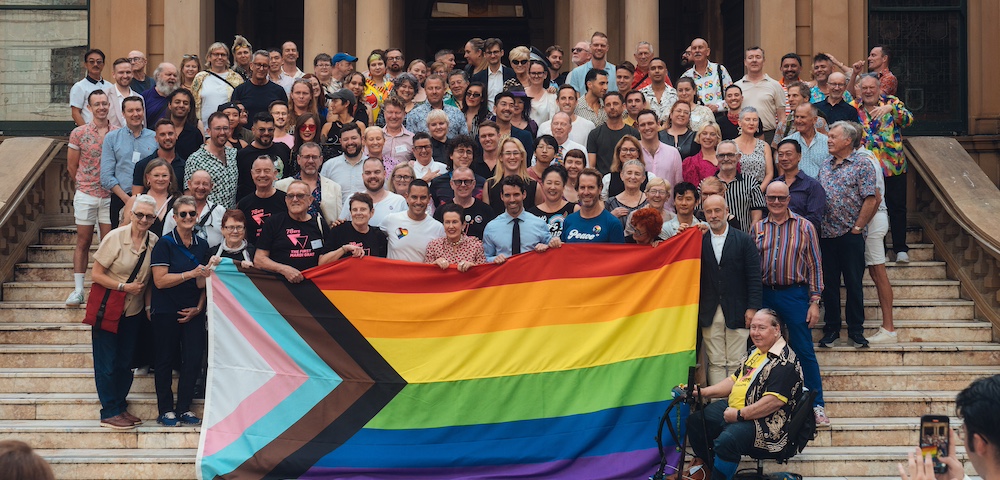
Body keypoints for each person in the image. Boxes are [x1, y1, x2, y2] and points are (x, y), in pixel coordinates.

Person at [685, 309, 805, 480]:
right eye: (753, 327)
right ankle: (711, 470)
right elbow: (733, 381)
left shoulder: (785, 362)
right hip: (739, 408)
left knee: (728, 440)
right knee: (697, 422)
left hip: (767, 423)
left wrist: (739, 415)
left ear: (776, 329)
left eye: (761, 328)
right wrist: (702, 392)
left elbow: (772, 403)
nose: (755, 333)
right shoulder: (755, 352)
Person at [753, 181, 828, 425]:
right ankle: (760, 403)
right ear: (766, 199)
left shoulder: (805, 227)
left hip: (795, 294)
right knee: (762, 349)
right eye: (772, 198)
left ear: (789, 200)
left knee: (804, 350)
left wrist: (814, 301)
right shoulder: (758, 228)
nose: (776, 202)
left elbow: (815, 265)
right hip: (765, 293)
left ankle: (816, 405)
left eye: (781, 198)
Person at [89, 194, 158, 429]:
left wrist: (148, 306)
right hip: (108, 308)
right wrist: (123, 286)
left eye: (149, 216)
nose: (144, 219)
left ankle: (119, 406)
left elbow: (149, 279)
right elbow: (96, 275)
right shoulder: (115, 238)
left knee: (126, 362)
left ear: (154, 218)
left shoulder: (154, 241)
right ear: (131, 214)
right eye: (140, 214)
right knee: (106, 362)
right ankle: (109, 410)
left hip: (133, 311)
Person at [149, 195, 212, 427]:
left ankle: (184, 408)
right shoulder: (165, 243)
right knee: (165, 360)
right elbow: (160, 281)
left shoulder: (202, 244)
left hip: (192, 311)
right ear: (174, 217)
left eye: (192, 214)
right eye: (183, 214)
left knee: (193, 359)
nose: (188, 217)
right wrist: (190, 274)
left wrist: (199, 306)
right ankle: (165, 410)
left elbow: (202, 282)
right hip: (166, 310)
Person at [817, 122, 879, 349]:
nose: (829, 140)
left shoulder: (863, 164)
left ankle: (856, 330)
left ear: (847, 140)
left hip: (851, 235)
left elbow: (870, 198)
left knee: (854, 284)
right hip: (827, 235)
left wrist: (858, 228)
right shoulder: (825, 165)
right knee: (829, 285)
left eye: (833, 136)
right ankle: (831, 329)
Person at [699, 193, 762, 384]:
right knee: (716, 361)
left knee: (737, 361)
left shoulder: (743, 240)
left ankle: (735, 405)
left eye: (718, 210)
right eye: (709, 211)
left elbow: (754, 276)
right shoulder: (698, 241)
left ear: (727, 212)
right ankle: (717, 407)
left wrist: (752, 308)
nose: (713, 215)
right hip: (709, 310)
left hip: (738, 308)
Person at [853, 73, 914, 263]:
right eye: (865, 88)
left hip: (892, 165)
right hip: (867, 169)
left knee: (897, 207)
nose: (868, 91)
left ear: (879, 88)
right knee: (872, 208)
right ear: (860, 90)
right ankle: (881, 250)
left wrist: (891, 109)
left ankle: (900, 248)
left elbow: (909, 120)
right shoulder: (854, 107)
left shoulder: (892, 102)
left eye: (872, 87)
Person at [66, 90, 115, 305]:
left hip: (110, 196)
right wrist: (83, 185)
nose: (102, 107)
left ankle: (105, 287)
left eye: (105, 103)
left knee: (108, 243)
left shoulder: (117, 132)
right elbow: (71, 166)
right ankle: (78, 289)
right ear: (89, 107)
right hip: (86, 193)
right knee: (83, 241)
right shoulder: (79, 132)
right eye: (97, 104)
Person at [255, 181, 337, 282]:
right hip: (281, 288)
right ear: (285, 200)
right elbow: (259, 260)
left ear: (310, 200)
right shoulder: (273, 222)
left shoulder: (320, 224)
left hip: (314, 287)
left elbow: (329, 258)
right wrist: (283, 269)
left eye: (300, 195)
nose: (294, 199)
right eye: (290, 196)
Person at [101, 96, 157, 228]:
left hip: (149, 198)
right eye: (130, 111)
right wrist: (129, 200)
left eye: (138, 110)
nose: (135, 114)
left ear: (143, 112)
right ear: (123, 113)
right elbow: (106, 176)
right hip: (121, 198)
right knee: (119, 241)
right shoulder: (112, 138)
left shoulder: (154, 138)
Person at [482, 175, 557, 263]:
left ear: (524, 194)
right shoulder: (491, 227)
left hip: (532, 275)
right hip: (504, 275)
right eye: (507, 195)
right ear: (501, 196)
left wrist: (548, 246)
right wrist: (494, 259)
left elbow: (552, 251)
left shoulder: (539, 224)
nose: (512, 200)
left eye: (516, 194)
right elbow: (485, 258)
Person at [278, 142, 343, 225]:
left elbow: (338, 220)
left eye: (314, 157)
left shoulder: (334, 187)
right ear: (298, 159)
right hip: (291, 235)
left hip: (324, 235)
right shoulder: (281, 186)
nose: (311, 161)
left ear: (321, 160)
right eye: (306, 157)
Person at [381, 179, 445, 262]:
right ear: (407, 197)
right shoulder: (391, 220)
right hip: (393, 274)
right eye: (414, 197)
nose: (418, 202)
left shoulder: (438, 228)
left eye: (423, 197)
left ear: (429, 199)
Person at [184, 112, 239, 208]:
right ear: (208, 131)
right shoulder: (195, 159)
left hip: (230, 218)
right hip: (207, 219)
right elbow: (188, 195)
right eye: (217, 128)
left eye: (225, 128)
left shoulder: (233, 154)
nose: (222, 132)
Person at [774, 139, 826, 233]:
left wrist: (789, 228)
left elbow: (814, 218)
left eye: (788, 154)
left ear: (799, 156)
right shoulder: (774, 185)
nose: (784, 158)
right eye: (781, 155)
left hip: (802, 236)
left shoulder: (812, 185)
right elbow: (766, 213)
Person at [734, 47, 786, 143]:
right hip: (743, 134)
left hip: (769, 135)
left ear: (764, 61)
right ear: (745, 62)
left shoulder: (775, 85)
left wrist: (779, 140)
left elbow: (782, 117)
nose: (754, 60)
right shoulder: (737, 86)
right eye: (750, 57)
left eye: (758, 57)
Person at [337, 158, 407, 228]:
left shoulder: (398, 201)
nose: (372, 176)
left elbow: (406, 231)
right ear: (363, 176)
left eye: (377, 172)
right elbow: (343, 228)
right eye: (368, 173)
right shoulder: (352, 199)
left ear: (384, 174)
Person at [236, 112, 291, 200]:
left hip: (281, 203)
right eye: (262, 129)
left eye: (270, 130)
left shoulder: (283, 149)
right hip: (253, 206)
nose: (266, 133)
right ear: (253, 130)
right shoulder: (242, 155)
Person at [562, 168, 625, 243]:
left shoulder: (612, 223)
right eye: (582, 187)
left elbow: (619, 254)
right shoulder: (569, 220)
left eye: (591, 187)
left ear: (600, 189)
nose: (586, 192)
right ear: (577, 190)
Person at [163, 170, 225, 247]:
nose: (201, 187)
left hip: (214, 257)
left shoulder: (220, 211)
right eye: (197, 183)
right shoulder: (175, 212)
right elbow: (166, 240)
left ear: (211, 186)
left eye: (205, 184)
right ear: (189, 184)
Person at [715, 140, 765, 233]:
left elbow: (757, 216)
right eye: (721, 155)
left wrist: (749, 239)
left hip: (743, 240)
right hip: (715, 240)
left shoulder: (751, 183)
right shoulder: (707, 184)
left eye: (730, 155)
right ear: (717, 158)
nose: (726, 159)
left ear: (738, 157)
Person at [191, 43, 244, 129]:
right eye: (216, 54)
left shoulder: (236, 78)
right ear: (209, 57)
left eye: (223, 55)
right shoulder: (200, 77)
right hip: (203, 128)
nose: (219, 57)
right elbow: (192, 101)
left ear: (227, 58)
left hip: (228, 129)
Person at [123, 158, 180, 238]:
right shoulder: (135, 200)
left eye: (164, 175)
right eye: (156, 175)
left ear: (170, 177)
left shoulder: (179, 201)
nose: (160, 179)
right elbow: (123, 229)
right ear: (148, 178)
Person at [433, 166, 495, 239]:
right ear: (451, 184)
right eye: (458, 182)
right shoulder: (441, 211)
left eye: (467, 181)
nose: (463, 185)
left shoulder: (486, 210)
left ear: (474, 184)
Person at [636, 109, 683, 204]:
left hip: (667, 211)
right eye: (642, 125)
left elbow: (678, 185)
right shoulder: (634, 152)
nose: (647, 127)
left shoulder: (673, 153)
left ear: (658, 124)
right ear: (638, 127)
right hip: (640, 210)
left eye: (650, 123)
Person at [237, 156, 287, 245]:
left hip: (281, 253)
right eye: (258, 171)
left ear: (275, 174)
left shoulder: (286, 200)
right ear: (252, 174)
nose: (262, 175)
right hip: (253, 254)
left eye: (267, 171)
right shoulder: (243, 204)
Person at [587, 92, 640, 174]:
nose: (612, 107)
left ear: (623, 106)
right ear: (604, 109)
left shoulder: (633, 133)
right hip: (603, 182)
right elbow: (592, 166)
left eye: (615, 104)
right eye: (608, 105)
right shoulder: (595, 134)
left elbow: (639, 160)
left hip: (629, 179)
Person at [485, 138, 539, 216]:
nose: (512, 157)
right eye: (508, 153)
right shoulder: (489, 185)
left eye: (516, 153)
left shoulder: (534, 186)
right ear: (500, 157)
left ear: (522, 156)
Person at [425, 203, 487, 272]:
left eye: (454, 222)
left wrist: (473, 267)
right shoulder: (434, 246)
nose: (451, 226)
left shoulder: (476, 246)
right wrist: (434, 265)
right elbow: (427, 274)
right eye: (447, 222)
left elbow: (483, 274)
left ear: (463, 225)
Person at [327, 192, 390, 259]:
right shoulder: (338, 230)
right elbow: (322, 262)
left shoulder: (379, 236)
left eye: (363, 209)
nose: (358, 213)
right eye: (355, 210)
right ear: (350, 212)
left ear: (371, 212)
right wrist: (344, 249)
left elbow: (383, 264)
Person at [231, 50, 288, 122]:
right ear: (251, 66)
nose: (261, 69)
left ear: (269, 68)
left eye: (265, 66)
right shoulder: (240, 90)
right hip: (246, 132)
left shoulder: (278, 91)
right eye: (258, 65)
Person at [681, 38, 733, 112]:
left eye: (700, 47)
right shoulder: (686, 77)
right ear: (691, 53)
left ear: (708, 52)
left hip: (718, 117)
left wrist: (717, 107)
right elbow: (681, 102)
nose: (697, 51)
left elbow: (732, 96)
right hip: (695, 119)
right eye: (694, 48)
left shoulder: (720, 70)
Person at [773, 81, 828, 149]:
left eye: (795, 96)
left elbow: (827, 145)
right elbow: (776, 149)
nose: (790, 99)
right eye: (789, 96)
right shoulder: (783, 124)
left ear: (806, 98)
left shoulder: (819, 122)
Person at [527, 164, 576, 240]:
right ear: (542, 185)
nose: (552, 187)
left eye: (557, 183)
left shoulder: (574, 209)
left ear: (563, 186)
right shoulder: (531, 214)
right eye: (549, 183)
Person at [320, 123, 364, 204]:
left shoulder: (372, 165)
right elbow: (322, 195)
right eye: (345, 139)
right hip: (337, 216)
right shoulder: (329, 166)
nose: (350, 142)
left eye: (354, 138)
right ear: (340, 141)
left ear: (362, 139)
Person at [601, 135, 656, 200]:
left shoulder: (650, 178)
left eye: (632, 150)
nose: (628, 153)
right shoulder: (608, 179)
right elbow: (603, 203)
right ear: (618, 153)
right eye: (624, 149)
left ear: (638, 153)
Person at [783, 103, 830, 178]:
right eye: (796, 117)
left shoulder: (827, 142)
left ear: (814, 120)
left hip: (822, 187)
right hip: (796, 188)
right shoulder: (787, 143)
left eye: (802, 117)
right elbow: (782, 171)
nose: (798, 120)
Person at [733, 107, 774, 192]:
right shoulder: (731, 145)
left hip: (759, 190)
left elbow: (769, 173)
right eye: (747, 119)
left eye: (755, 120)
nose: (751, 123)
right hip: (736, 190)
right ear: (740, 123)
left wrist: (758, 192)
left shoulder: (764, 146)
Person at [471, 38, 516, 111]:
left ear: (502, 53)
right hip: (485, 119)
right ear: (485, 55)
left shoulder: (512, 74)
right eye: (489, 53)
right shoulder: (477, 77)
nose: (492, 56)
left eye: (495, 52)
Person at [605, 159, 651, 228]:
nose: (633, 177)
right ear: (622, 176)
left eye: (637, 174)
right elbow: (601, 228)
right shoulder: (611, 202)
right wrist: (610, 217)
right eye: (629, 173)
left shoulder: (649, 201)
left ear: (643, 178)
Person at [71, 49, 109, 126]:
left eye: (99, 62)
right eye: (91, 62)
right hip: (89, 131)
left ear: (103, 64)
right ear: (85, 64)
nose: (95, 64)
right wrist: (87, 132)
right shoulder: (79, 87)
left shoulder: (110, 86)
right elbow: (75, 113)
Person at [491, 92, 535, 156]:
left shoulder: (525, 136)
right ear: (495, 108)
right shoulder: (485, 134)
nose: (507, 108)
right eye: (503, 104)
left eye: (511, 105)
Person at [319, 88, 358, 159]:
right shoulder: (327, 127)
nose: (331, 105)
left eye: (335, 101)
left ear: (346, 103)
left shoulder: (359, 126)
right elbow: (322, 150)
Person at [104, 57, 139, 129]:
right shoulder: (105, 96)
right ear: (113, 74)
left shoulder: (139, 98)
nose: (125, 76)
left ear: (132, 74)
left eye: (128, 72)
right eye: (121, 72)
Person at [381, 96, 414, 171]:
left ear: (404, 114)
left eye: (397, 113)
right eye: (390, 112)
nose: (393, 116)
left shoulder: (412, 139)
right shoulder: (376, 136)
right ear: (384, 113)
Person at [640, 57, 678, 122]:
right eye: (653, 68)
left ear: (666, 72)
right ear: (649, 73)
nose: (657, 71)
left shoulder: (676, 94)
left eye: (660, 68)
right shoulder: (641, 94)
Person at [525, 60, 558, 125]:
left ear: (545, 75)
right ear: (528, 74)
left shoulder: (552, 96)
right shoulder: (522, 94)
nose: (536, 76)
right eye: (533, 73)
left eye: (539, 73)